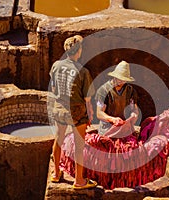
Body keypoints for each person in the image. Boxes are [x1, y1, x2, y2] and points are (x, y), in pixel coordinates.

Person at [49, 35, 97, 189]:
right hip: (76, 112)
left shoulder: (56, 65)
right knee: (79, 146)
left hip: (59, 110)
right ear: (79, 51)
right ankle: (79, 181)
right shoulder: (82, 72)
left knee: (59, 139)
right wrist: (90, 114)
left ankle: (56, 174)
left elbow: (54, 88)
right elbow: (87, 99)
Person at [95, 60, 139, 135]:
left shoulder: (130, 90)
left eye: (124, 80)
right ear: (114, 76)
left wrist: (134, 115)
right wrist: (112, 119)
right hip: (107, 129)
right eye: (119, 79)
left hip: (124, 129)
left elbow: (134, 109)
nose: (121, 82)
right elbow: (99, 113)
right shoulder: (103, 90)